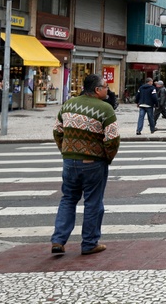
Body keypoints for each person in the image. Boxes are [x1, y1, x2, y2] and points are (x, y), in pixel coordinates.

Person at [51, 73, 120, 256]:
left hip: (69, 161)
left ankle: (58, 240)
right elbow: (112, 139)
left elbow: (57, 131)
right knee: (93, 202)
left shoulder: (68, 104)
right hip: (93, 162)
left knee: (68, 199)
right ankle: (89, 243)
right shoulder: (105, 109)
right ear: (97, 90)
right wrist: (107, 157)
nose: (108, 89)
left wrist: (66, 151)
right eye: (105, 86)